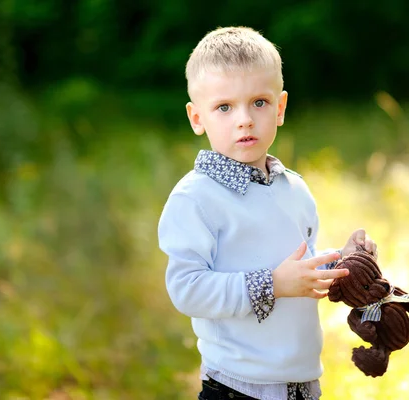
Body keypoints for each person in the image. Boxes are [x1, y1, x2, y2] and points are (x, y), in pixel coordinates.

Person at [158, 26, 377, 400]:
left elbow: (300, 273)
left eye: (258, 102)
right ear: (197, 118)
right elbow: (186, 289)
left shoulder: (294, 189)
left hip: (302, 384)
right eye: (224, 107)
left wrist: (345, 264)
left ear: (280, 108)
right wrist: (272, 284)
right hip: (236, 385)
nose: (243, 119)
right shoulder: (195, 198)